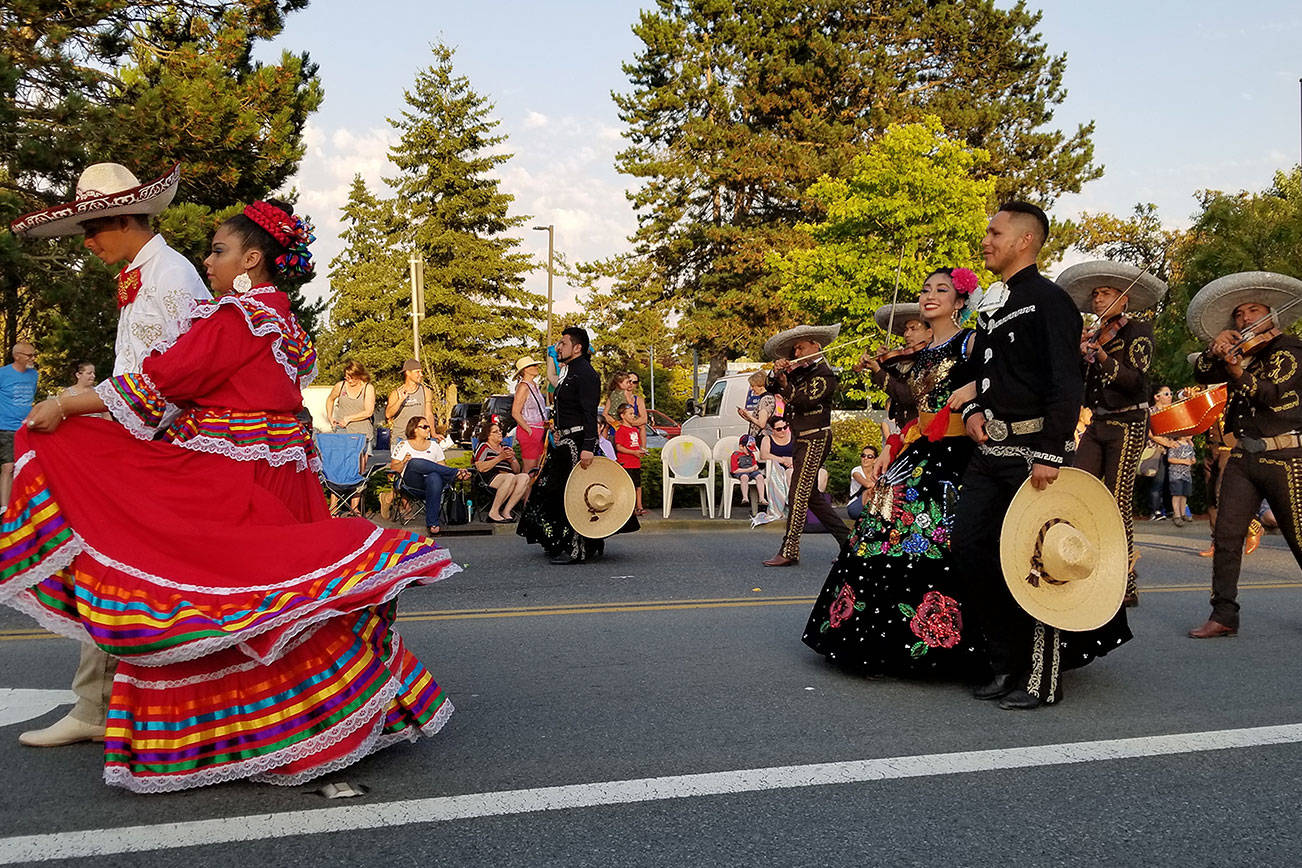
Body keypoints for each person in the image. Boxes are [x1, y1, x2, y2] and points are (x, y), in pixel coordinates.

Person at [1, 200, 456, 790]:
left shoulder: (239, 316)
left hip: (237, 474)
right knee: (283, 602)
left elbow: (163, 379)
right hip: (279, 468)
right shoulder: (280, 319)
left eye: (218, 251)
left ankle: (271, 734)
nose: (209, 261)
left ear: (252, 259)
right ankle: (312, 720)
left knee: (220, 595)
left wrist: (64, 405)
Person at [9, 162, 211, 750]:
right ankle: (104, 701)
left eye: (93, 229)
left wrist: (75, 408)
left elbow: (167, 387)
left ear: (124, 219)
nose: (89, 242)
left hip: (153, 450)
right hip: (142, 443)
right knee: (117, 570)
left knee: (114, 566)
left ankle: (105, 703)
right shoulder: (151, 275)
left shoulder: (169, 278)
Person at [953, 201, 1130, 710]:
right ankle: (1004, 663)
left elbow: (1064, 381)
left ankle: (1039, 679)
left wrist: (1052, 452)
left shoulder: (1049, 301)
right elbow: (991, 377)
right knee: (971, 549)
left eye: (995, 232)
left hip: (1033, 455)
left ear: (1024, 240)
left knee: (1034, 564)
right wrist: (974, 413)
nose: (986, 240)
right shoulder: (996, 302)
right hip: (991, 450)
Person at [803, 267, 986, 678]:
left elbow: (1001, 379)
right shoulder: (921, 354)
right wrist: (891, 445)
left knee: (937, 534)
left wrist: (973, 390)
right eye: (926, 290)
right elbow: (911, 404)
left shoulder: (972, 341)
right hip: (920, 445)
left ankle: (945, 638)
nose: (929, 295)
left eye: (942, 290)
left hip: (957, 453)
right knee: (882, 524)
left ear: (960, 302)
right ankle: (878, 639)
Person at [1185, 271, 1302, 638]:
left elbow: (1269, 394)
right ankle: (1224, 614)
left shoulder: (1292, 349)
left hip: (1285, 457)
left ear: (1271, 315)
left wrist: (1235, 366)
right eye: (1238, 315)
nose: (1245, 319)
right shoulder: (1241, 352)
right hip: (1243, 456)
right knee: (1227, 533)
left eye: (1253, 310)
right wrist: (1214, 349)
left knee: (1300, 537)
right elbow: (1203, 372)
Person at [1060, 261, 1166, 608]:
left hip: (1129, 421)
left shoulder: (1139, 331)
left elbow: (1136, 381)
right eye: (1094, 294)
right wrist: (1077, 355)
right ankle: (1083, 569)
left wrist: (1103, 357)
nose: (1098, 298)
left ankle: (1126, 582)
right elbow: (1077, 384)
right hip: (1098, 421)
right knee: (1082, 492)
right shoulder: (1091, 335)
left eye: (1105, 293)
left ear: (1124, 299)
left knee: (1118, 503)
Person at [519, 327, 639, 564]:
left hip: (577, 444)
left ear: (577, 348)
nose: (557, 348)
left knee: (574, 495)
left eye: (562, 343)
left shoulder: (586, 374)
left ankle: (579, 548)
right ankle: (564, 542)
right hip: (563, 442)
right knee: (551, 492)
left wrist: (588, 446)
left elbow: (588, 413)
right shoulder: (569, 371)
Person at [761, 324, 851, 566]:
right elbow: (770, 389)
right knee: (812, 496)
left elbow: (801, 400)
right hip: (801, 437)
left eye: (801, 347)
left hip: (816, 437)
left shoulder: (824, 374)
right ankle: (849, 543)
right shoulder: (801, 371)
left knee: (798, 492)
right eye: (795, 349)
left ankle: (790, 549)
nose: (797, 353)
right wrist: (777, 373)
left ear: (816, 345)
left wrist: (784, 380)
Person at [391, 415, 470, 535]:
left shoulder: (434, 446)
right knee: (414, 462)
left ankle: (433, 522)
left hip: (433, 487)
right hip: (412, 484)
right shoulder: (403, 445)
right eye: (425, 427)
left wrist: (446, 471)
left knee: (434, 476)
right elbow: (393, 468)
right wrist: (403, 462)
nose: (428, 429)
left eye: (429, 427)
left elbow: (442, 467)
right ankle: (455, 472)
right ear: (414, 429)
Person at [0, 342, 39, 507]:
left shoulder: (33, 375)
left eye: (33, 354)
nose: (33, 358)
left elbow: (31, 398)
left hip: (27, 428)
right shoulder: (3, 374)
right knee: (8, 467)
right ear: (17, 356)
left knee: (24, 466)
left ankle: (21, 505)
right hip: (6, 427)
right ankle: (4, 509)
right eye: (29, 355)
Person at [473, 418, 530, 522]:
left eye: (500, 431)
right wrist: (500, 458)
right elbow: (480, 467)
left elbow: (517, 470)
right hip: (489, 476)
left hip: (509, 477)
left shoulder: (505, 448)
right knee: (510, 477)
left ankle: (506, 511)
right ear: (488, 435)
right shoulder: (484, 447)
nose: (499, 433)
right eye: (495, 432)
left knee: (524, 477)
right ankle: (493, 512)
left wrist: (512, 459)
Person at [510, 356, 548, 474]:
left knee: (536, 469)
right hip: (530, 431)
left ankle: (527, 492)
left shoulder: (534, 386)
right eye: (533, 365)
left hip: (539, 430)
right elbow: (515, 412)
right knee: (529, 469)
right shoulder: (523, 387)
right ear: (525, 369)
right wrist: (529, 430)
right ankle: (520, 492)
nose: (537, 367)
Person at [327, 360, 376, 451]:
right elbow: (330, 399)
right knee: (343, 462)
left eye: (352, 378)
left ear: (360, 375)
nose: (349, 380)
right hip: (342, 431)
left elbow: (369, 412)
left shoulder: (368, 388)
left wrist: (349, 418)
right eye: (347, 377)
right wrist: (330, 417)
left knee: (359, 464)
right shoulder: (340, 386)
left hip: (362, 432)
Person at [386, 359, 434, 445]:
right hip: (400, 439)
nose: (421, 375)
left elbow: (429, 414)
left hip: (419, 439)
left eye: (421, 372)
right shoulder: (396, 393)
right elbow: (388, 414)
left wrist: (433, 433)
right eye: (417, 372)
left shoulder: (426, 391)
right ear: (408, 373)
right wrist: (400, 400)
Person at [1145, 386, 1176, 519]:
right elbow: (1150, 433)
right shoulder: (1151, 412)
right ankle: (1154, 510)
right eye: (1166, 394)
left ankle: (1170, 509)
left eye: (1171, 394)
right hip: (1157, 450)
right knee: (1157, 480)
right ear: (1157, 397)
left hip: (1172, 450)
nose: (1170, 396)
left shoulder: (1172, 411)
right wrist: (1166, 443)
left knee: (1171, 480)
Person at [613, 402, 648, 516]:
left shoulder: (635, 430)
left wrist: (641, 452)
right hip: (626, 463)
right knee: (628, 486)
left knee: (638, 485)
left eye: (634, 414)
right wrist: (633, 452)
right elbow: (619, 447)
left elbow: (636, 445)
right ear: (623, 416)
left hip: (635, 463)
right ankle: (629, 507)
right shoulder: (621, 430)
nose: (633, 416)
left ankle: (639, 506)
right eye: (630, 414)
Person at [759, 415, 795, 521]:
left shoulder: (793, 437)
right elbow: (764, 455)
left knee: (791, 473)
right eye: (779, 429)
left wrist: (792, 460)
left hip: (793, 466)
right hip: (776, 468)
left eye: (785, 427)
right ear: (773, 430)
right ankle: (787, 506)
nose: (783, 431)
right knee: (787, 474)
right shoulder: (767, 439)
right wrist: (783, 460)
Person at [729, 433, 768, 518]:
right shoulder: (735, 455)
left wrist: (755, 466)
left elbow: (754, 464)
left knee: (760, 477)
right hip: (741, 472)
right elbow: (735, 470)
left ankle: (761, 497)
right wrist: (748, 470)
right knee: (744, 477)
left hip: (752, 472)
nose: (750, 452)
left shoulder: (751, 455)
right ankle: (745, 497)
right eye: (748, 449)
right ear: (741, 446)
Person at [737, 370, 777, 441]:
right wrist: (745, 416)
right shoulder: (766, 398)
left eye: (753, 386)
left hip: (762, 438)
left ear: (760, 385)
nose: (751, 389)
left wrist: (749, 416)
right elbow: (757, 421)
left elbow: (762, 424)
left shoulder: (766, 399)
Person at [1167, 435, 1195, 526]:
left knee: (1184, 494)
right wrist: (1183, 461)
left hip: (1186, 475)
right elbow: (1170, 459)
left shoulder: (1189, 446)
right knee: (1177, 494)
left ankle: (1183, 513)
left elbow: (1193, 457)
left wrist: (1192, 460)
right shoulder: (1175, 445)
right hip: (1176, 474)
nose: (1191, 435)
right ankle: (1177, 515)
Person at [846, 444, 878, 521]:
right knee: (869, 491)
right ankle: (869, 515)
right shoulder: (856, 471)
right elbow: (867, 484)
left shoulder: (877, 472)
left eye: (869, 456)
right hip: (855, 507)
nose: (865, 458)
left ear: (875, 460)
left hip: (873, 503)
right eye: (863, 455)